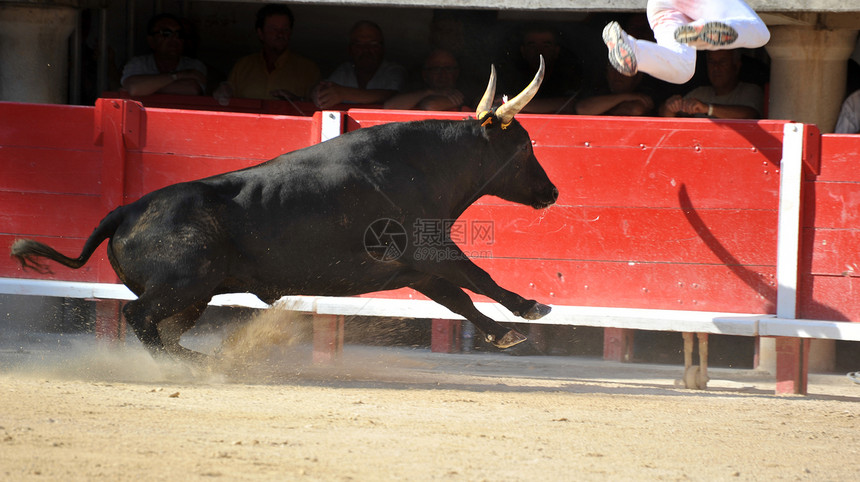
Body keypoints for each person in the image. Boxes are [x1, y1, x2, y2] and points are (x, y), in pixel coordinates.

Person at [602, 0, 770, 85]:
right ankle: (702, 32)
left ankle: (634, 50)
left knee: (682, 69)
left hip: (660, 4)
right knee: (760, 33)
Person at [213, 4, 320, 104]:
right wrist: (223, 91)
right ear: (260, 33)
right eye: (274, 29)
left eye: (285, 29)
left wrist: (296, 101)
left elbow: (317, 109)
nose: (280, 34)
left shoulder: (308, 69)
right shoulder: (242, 66)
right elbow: (227, 101)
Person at [311, 21, 406, 109]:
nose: (366, 50)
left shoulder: (392, 70)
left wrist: (343, 93)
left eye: (373, 45)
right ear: (350, 50)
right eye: (359, 45)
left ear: (382, 49)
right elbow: (326, 89)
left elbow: (392, 96)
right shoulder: (345, 71)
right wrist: (319, 93)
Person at [498, 23, 581, 114]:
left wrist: (514, 103)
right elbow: (499, 102)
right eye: (532, 45)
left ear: (556, 51)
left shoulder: (568, 75)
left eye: (546, 46)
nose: (539, 50)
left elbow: (570, 105)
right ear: (523, 51)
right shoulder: (511, 75)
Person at [659, 49, 763, 119]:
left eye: (722, 62)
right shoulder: (701, 93)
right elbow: (667, 117)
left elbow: (750, 115)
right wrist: (670, 106)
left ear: (736, 66)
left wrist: (708, 108)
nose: (716, 68)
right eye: (711, 62)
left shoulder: (750, 91)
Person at [121, 13, 207, 96]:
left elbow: (192, 89)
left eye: (179, 34)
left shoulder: (194, 65)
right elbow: (134, 88)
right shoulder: (139, 63)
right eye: (166, 33)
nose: (174, 38)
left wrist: (146, 88)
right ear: (151, 40)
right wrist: (177, 76)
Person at [383, 49, 465, 111]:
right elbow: (390, 106)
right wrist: (429, 92)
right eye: (436, 68)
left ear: (457, 72)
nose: (443, 74)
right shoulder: (416, 88)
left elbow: (430, 106)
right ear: (425, 74)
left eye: (448, 68)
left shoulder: (466, 90)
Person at [575, 62, 655, 116]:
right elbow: (582, 109)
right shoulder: (600, 90)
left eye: (623, 71)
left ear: (638, 76)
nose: (617, 75)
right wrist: (625, 97)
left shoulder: (646, 91)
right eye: (612, 70)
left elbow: (635, 110)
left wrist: (602, 109)